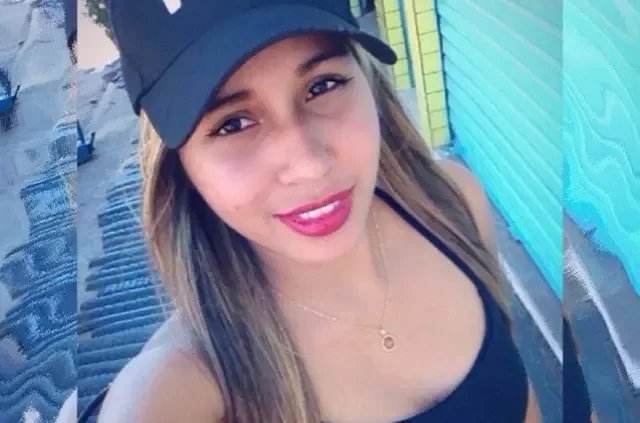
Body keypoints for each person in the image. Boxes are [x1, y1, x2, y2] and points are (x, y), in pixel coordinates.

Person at [90, 0, 545, 421]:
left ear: (366, 79)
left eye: (322, 85)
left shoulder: (453, 205)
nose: (309, 164)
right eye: (233, 123)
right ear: (180, 167)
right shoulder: (182, 386)